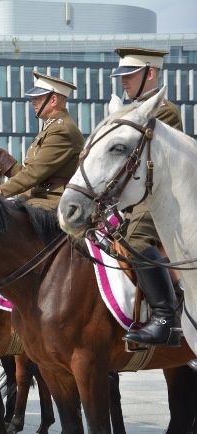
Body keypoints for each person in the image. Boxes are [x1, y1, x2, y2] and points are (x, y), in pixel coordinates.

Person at [111, 47, 184, 347]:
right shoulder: (131, 111)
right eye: (121, 76)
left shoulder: (162, 110)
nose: (123, 82)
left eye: (130, 75)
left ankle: (166, 318)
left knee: (136, 240)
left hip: (155, 200)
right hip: (130, 199)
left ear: (150, 73)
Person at [0, 72, 84, 210]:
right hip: (37, 197)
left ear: (53, 100)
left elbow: (34, 173)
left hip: (52, 200)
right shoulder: (51, 127)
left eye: (38, 98)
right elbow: (30, 172)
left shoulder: (61, 130)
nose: (33, 102)